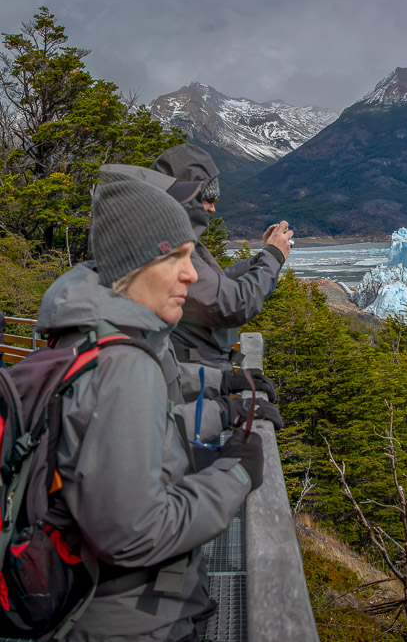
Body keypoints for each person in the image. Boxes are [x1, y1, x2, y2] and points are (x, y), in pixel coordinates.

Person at [35, 169, 263, 642]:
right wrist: (235, 476)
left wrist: (224, 400)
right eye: (175, 256)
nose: (192, 273)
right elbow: (133, 534)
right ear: (135, 263)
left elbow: (153, 424)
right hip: (129, 621)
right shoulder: (121, 365)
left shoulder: (89, 334)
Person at [147, 144, 293, 369]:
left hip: (194, 369)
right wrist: (272, 256)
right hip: (193, 375)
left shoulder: (165, 237)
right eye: (208, 200)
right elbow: (233, 305)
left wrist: (263, 256)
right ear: (189, 198)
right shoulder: (169, 249)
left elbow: (215, 283)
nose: (213, 209)